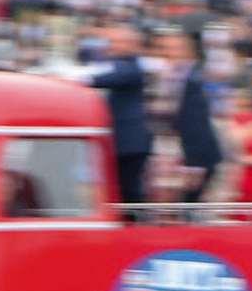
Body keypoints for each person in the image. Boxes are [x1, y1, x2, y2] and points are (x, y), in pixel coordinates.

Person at [88, 25, 152, 207]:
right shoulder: (114, 64)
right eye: (112, 42)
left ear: (133, 44)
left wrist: (78, 80)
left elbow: (106, 78)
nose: (113, 46)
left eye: (119, 42)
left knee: (129, 192)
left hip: (129, 143)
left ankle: (134, 223)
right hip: (119, 142)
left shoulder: (132, 68)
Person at [158, 30, 222, 203]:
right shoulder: (160, 76)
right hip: (165, 154)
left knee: (189, 203)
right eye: (163, 48)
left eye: (174, 48)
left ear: (189, 52)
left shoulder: (199, 77)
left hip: (195, 155)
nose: (167, 53)